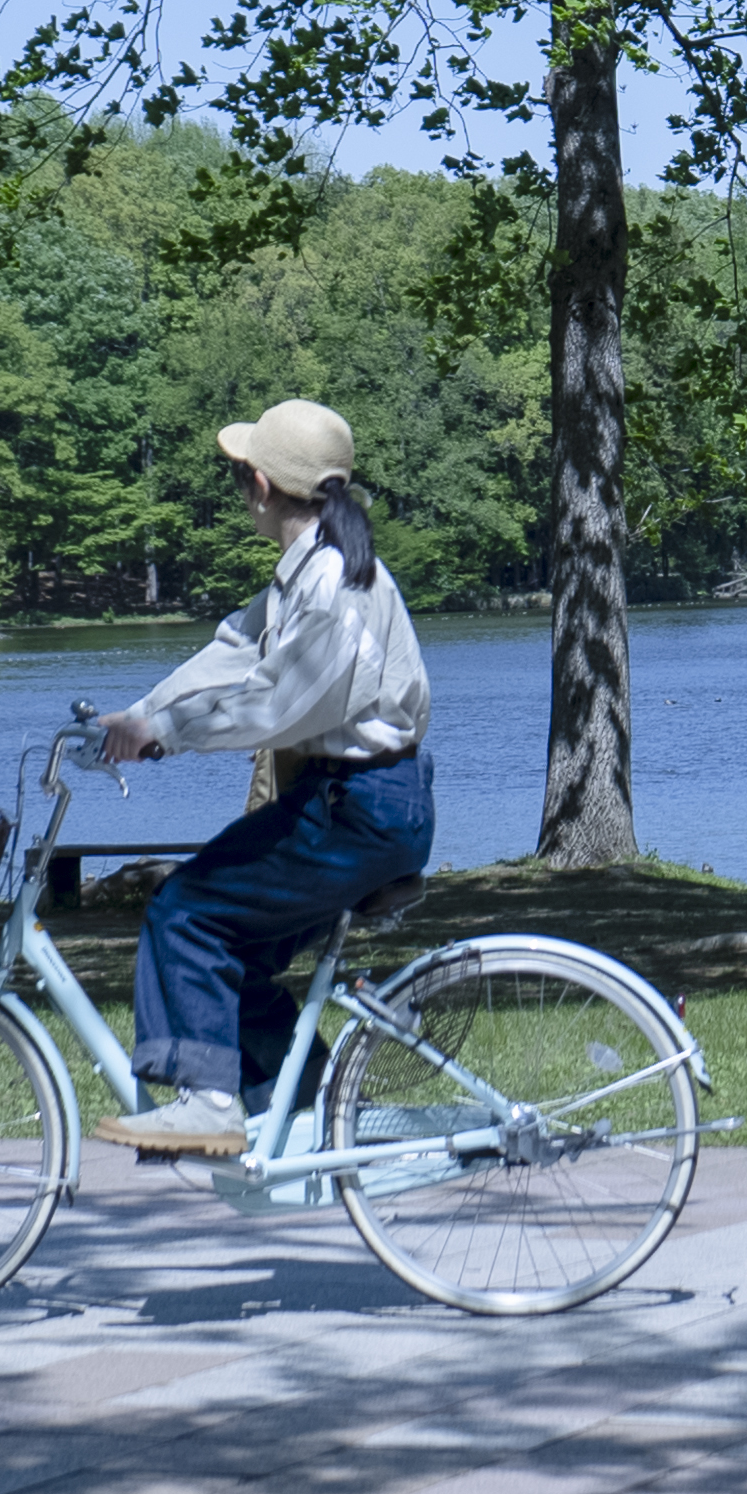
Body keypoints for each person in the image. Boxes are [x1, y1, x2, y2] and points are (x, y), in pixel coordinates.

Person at [88, 399, 433, 1157]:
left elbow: (277, 704)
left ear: (262, 483)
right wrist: (134, 719)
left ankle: (209, 1103)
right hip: (351, 800)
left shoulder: (336, 584)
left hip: (359, 808)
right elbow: (233, 655)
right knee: (233, 952)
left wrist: (166, 734)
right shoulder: (305, 574)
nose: (238, 486)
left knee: (186, 913)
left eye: (240, 474)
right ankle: (307, 1107)